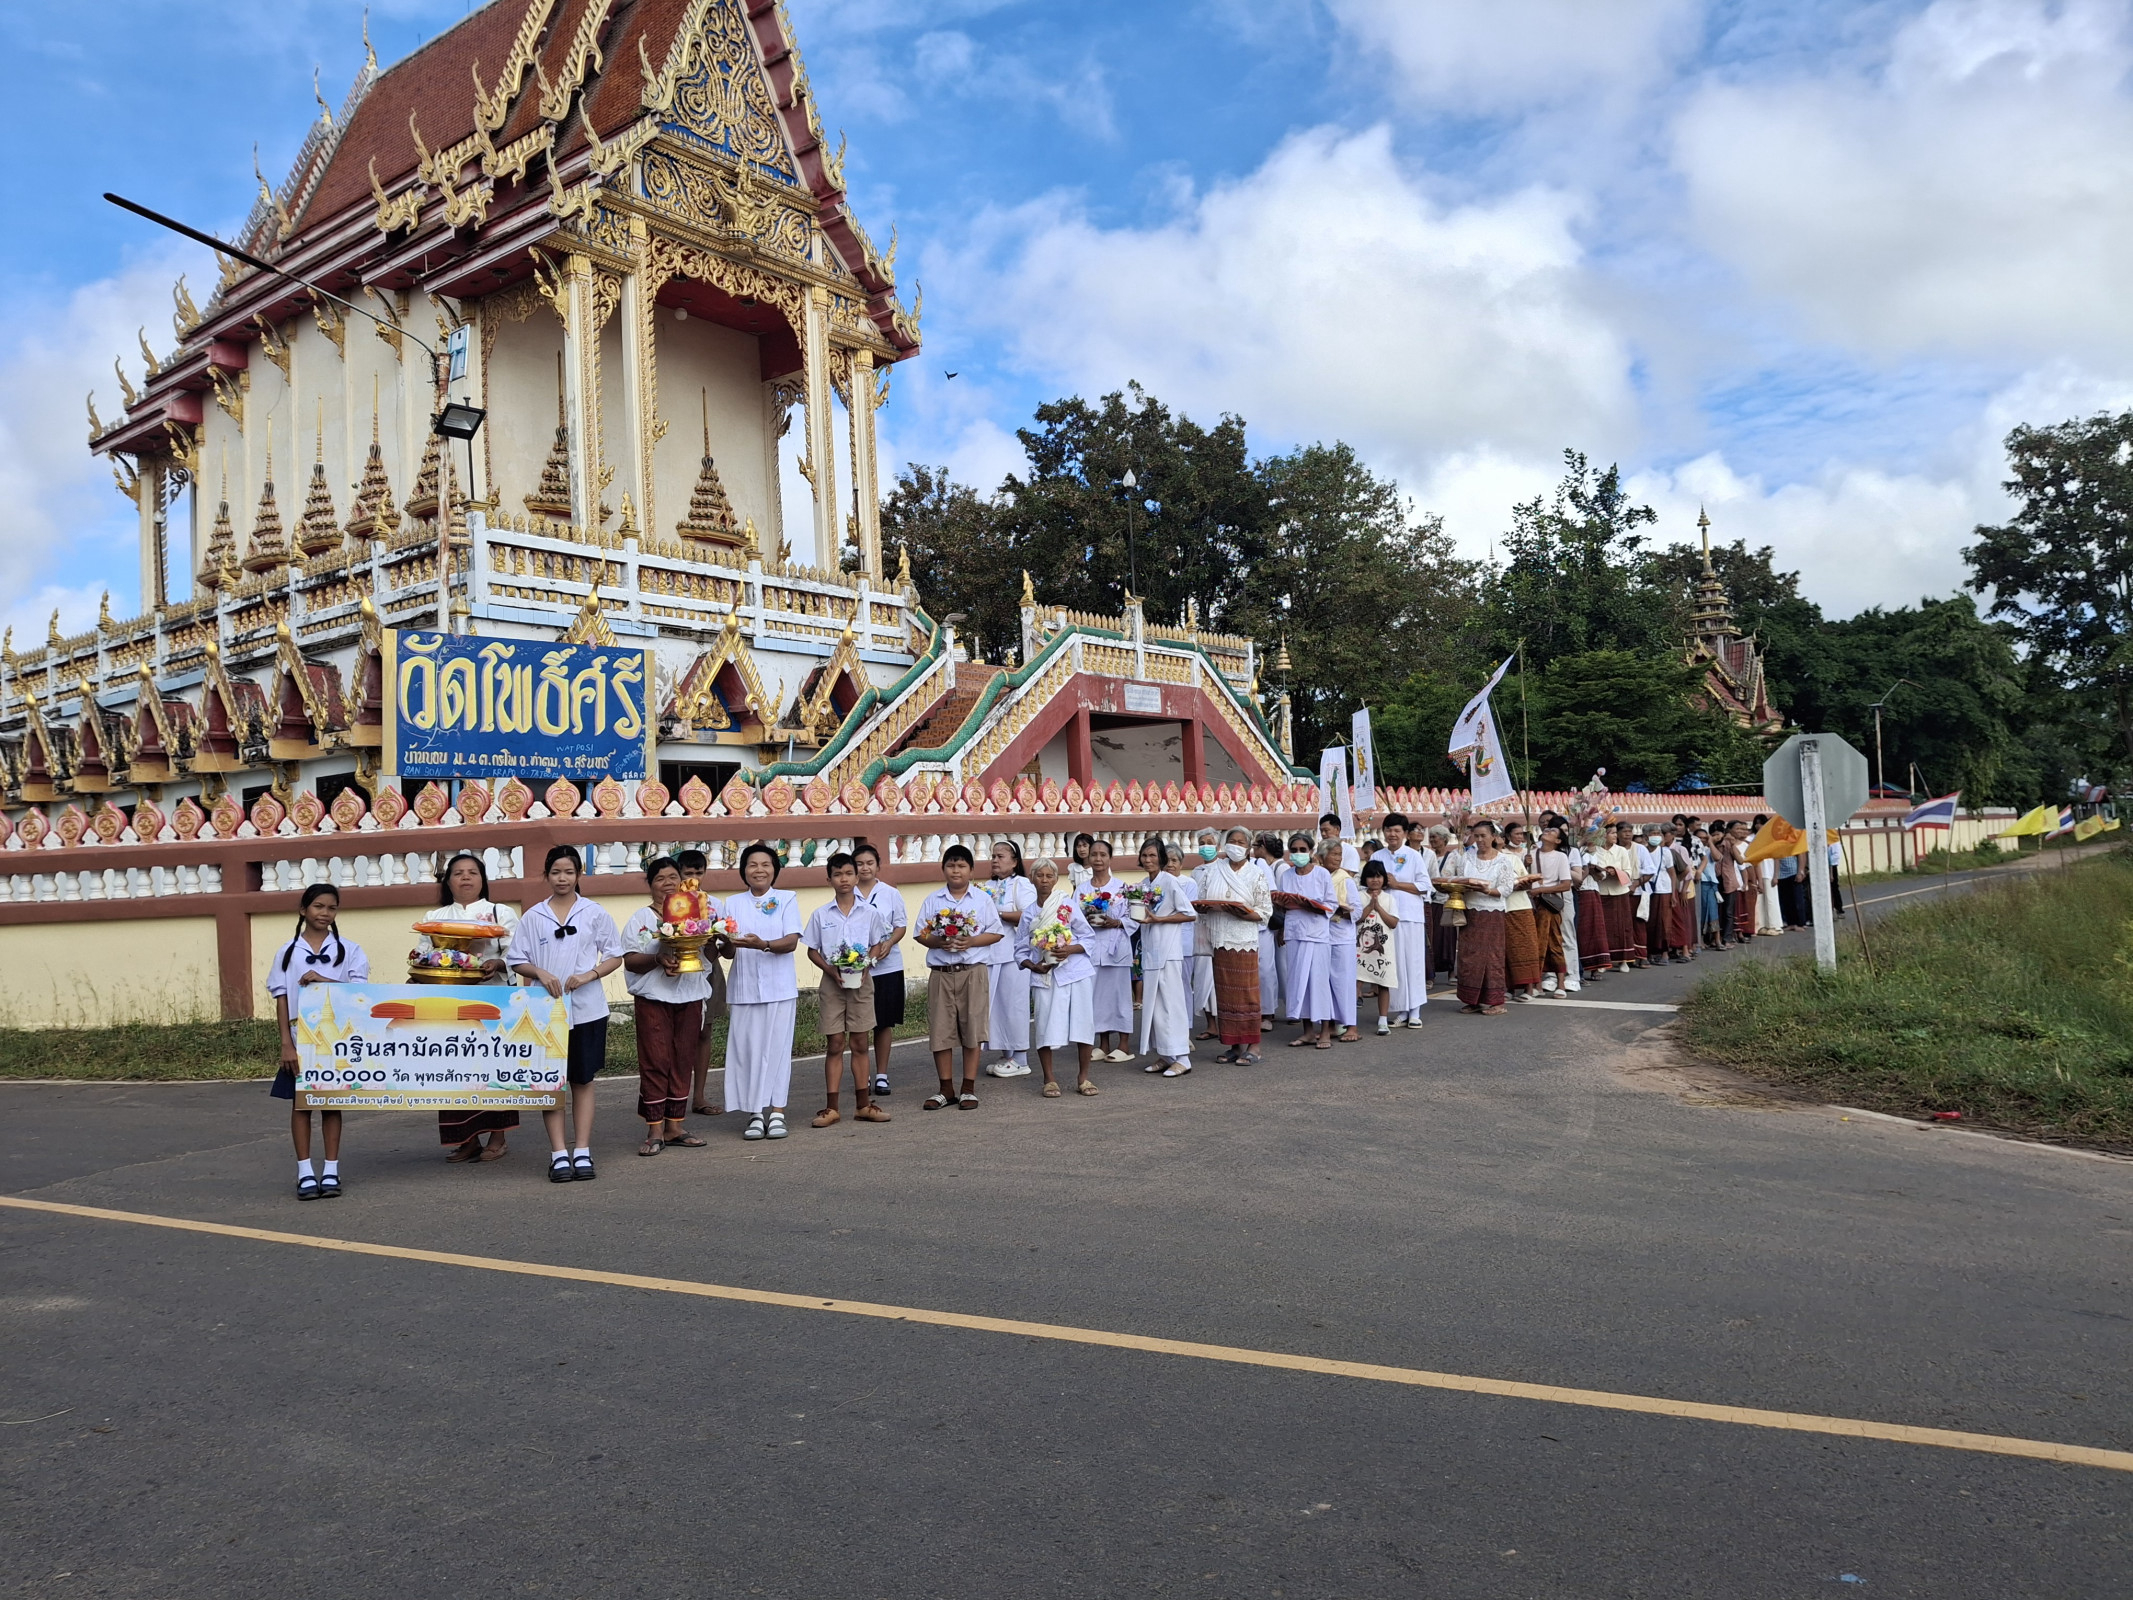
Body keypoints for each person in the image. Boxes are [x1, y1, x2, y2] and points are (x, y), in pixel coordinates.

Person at [507, 844, 625, 1183]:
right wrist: (540, 973)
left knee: (583, 1080)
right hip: (546, 1012)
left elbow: (614, 955)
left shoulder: (594, 913)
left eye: (569, 872)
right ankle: (558, 1152)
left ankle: (583, 1150)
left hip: (588, 1009)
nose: (562, 878)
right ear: (546, 875)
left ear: (578, 875)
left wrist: (589, 975)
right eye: (556, 872)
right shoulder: (533, 916)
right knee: (552, 1082)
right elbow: (518, 957)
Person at [268, 883, 370, 1199]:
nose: (325, 913)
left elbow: (359, 993)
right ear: (303, 910)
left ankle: (331, 1170)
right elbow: (282, 997)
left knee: (329, 1104)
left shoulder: (348, 950)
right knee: (302, 1105)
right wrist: (286, 1042)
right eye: (318, 906)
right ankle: (304, 1173)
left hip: (334, 1039)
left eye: (331, 907)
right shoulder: (288, 952)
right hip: (301, 1038)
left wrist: (325, 980)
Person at [426, 851, 520, 1164]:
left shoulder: (500, 913)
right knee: (454, 1071)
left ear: (482, 879)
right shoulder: (433, 919)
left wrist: (499, 962)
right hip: (449, 1005)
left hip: (493, 1002)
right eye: (458, 873)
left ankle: (498, 1137)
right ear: (448, 881)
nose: (466, 877)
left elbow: (517, 953)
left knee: (493, 1070)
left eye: (472, 872)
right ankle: (467, 1139)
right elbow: (424, 956)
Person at [620, 856, 711, 1156]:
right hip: (653, 998)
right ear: (650, 885)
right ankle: (654, 1129)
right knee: (656, 1060)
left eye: (673, 877)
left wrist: (718, 934)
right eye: (660, 879)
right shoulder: (641, 919)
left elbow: (712, 948)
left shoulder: (698, 914)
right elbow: (630, 959)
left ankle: (675, 1126)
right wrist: (658, 958)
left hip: (689, 994)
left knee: (683, 1058)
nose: (668, 883)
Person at [715, 842, 803, 1140]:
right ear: (744, 871)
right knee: (748, 1051)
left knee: (777, 1050)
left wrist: (762, 944)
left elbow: (791, 942)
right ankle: (754, 1112)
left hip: (779, 987)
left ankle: (777, 1111)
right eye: (752, 865)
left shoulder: (787, 899)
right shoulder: (732, 903)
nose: (759, 870)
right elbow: (727, 952)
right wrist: (722, 940)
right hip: (744, 989)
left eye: (765, 864)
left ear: (774, 870)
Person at [803, 851, 893, 1128]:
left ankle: (863, 1105)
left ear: (857, 876)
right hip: (832, 984)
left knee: (859, 1042)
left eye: (849, 873)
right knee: (835, 1044)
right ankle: (831, 1108)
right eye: (838, 874)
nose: (844, 879)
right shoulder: (821, 915)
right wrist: (830, 970)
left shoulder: (870, 913)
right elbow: (812, 950)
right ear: (828, 878)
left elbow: (878, 942)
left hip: (861, 984)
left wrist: (869, 962)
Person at [917, 843, 1005, 1110]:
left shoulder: (982, 899)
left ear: (971, 871)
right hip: (942, 973)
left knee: (972, 1029)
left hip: (972, 972)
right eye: (951, 865)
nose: (956, 870)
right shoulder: (933, 900)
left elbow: (996, 932)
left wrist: (972, 941)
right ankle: (946, 1089)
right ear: (943, 869)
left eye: (961, 865)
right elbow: (921, 934)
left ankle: (968, 1088)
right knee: (941, 1031)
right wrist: (937, 942)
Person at [1022, 855, 1101, 1095]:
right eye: (1039, 875)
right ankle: (1049, 1079)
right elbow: (1020, 950)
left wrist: (1069, 949)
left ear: (1056, 879)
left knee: (1083, 1023)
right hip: (1045, 975)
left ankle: (1084, 1078)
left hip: (1075, 972)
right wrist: (1033, 965)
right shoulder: (1028, 913)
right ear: (1031, 879)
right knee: (1045, 1025)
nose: (1044, 880)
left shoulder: (1067, 905)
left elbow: (1088, 936)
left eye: (1049, 876)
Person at [1198, 826, 1272, 1064]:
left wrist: (1241, 913)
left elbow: (1264, 911)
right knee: (1226, 994)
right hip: (1219, 939)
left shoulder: (1256, 873)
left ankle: (1254, 1045)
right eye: (1232, 841)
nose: (1236, 846)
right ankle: (1234, 1045)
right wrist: (1204, 907)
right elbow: (1200, 901)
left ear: (1248, 848)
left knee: (1247, 994)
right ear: (1224, 844)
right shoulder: (1212, 871)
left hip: (1244, 940)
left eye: (1241, 842)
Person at [1131, 836, 1198, 1076]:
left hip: (1169, 951)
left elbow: (1189, 914)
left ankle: (1182, 1058)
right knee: (1155, 1006)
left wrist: (1160, 919)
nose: (1148, 860)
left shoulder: (1169, 882)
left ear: (1160, 858)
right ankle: (1166, 1054)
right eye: (1144, 855)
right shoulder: (1143, 885)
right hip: (1151, 952)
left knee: (1171, 1004)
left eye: (1152, 855)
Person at [851, 841, 909, 1097]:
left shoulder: (889, 893)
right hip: (857, 967)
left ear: (878, 866)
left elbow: (900, 925)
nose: (865, 868)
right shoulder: (847, 892)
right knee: (859, 1022)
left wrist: (889, 943)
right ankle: (861, 1076)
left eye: (869, 863)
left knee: (884, 1022)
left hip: (887, 966)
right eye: (859, 864)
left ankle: (882, 1075)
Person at [674, 849, 728, 1119]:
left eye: (698, 873)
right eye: (688, 873)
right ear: (678, 874)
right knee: (677, 1036)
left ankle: (699, 1095)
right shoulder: (672, 903)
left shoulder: (716, 904)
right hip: (676, 972)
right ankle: (675, 1095)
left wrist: (721, 937)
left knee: (704, 1033)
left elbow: (728, 949)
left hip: (708, 970)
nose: (693, 879)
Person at [1444, 821, 1519, 1014]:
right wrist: (1462, 886)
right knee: (1469, 957)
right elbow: (1454, 878)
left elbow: (1506, 889)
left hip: (1492, 914)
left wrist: (1487, 890)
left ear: (1493, 836)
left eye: (1483, 836)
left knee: (1492, 957)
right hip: (1470, 912)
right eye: (1476, 836)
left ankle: (1496, 1002)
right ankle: (1472, 999)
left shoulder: (1503, 861)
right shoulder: (1466, 857)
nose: (1479, 840)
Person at [1370, 814, 1433, 1026]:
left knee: (1413, 962)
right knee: (1393, 964)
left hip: (1410, 917)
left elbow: (1425, 886)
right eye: (1389, 830)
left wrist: (1397, 884)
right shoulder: (1377, 856)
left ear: (1405, 834)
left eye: (1397, 831)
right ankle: (1401, 1010)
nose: (1392, 834)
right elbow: (1367, 883)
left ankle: (1415, 1010)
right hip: (1386, 917)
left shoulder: (1414, 856)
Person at [981, 840, 1036, 1078]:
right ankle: (1007, 1054)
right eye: (993, 856)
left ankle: (1021, 1058)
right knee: (996, 1007)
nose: (995, 860)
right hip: (991, 954)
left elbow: (1029, 914)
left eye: (1001, 856)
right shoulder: (986, 886)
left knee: (1014, 1005)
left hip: (1014, 956)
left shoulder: (1021, 884)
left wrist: (998, 913)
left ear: (1014, 862)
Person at [1276, 832, 1336, 1048]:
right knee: (1298, 982)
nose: (1298, 854)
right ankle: (1308, 1031)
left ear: (1311, 852)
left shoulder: (1321, 874)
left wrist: (1313, 905)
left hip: (1317, 934)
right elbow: (1283, 902)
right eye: (1294, 850)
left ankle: (1326, 1031)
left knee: (1318, 982)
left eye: (1302, 850)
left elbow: (1331, 903)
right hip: (1295, 933)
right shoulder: (1287, 876)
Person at [1079, 839, 1135, 1061]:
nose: (1098, 859)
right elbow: (1073, 918)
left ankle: (1124, 1044)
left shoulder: (1122, 888)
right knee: (1097, 998)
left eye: (1103, 854)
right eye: (1094, 854)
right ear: (1088, 858)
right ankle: (1103, 1044)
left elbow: (1135, 917)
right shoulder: (1082, 889)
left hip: (1116, 948)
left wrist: (1117, 923)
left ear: (1110, 858)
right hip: (1093, 950)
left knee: (1120, 996)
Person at [1320, 838, 1361, 1041]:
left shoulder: (1345, 880)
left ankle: (1351, 1026)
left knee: (1343, 983)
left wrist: (1340, 911)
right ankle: (1330, 1025)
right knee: (1324, 983)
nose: (1337, 858)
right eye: (1333, 854)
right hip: (1321, 936)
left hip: (1342, 936)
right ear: (1321, 857)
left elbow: (1358, 911)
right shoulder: (1318, 876)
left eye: (1339, 855)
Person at [1353, 858, 1399, 1032]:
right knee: (1356, 981)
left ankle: (1383, 1020)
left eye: (1379, 876)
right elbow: (1356, 918)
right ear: (1365, 878)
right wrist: (1370, 905)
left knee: (1383, 982)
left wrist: (1378, 907)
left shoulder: (1389, 899)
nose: (1375, 880)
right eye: (1371, 876)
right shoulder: (1359, 896)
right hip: (1360, 949)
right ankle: (1350, 1019)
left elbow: (1393, 923)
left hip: (1382, 951)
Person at [1530, 825, 1574, 996]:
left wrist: (1540, 890)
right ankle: (1537, 983)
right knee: (1535, 942)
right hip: (1532, 902)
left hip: (1548, 903)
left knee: (1553, 941)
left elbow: (1565, 884)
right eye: (1546, 830)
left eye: (1552, 832)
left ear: (1558, 841)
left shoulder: (1560, 856)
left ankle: (1561, 983)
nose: (1546, 832)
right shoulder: (1531, 854)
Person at [1502, 821, 1543, 1000]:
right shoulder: (1487, 858)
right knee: (1505, 949)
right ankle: (1509, 988)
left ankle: (1529, 988)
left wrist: (1524, 874)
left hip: (1519, 906)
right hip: (1501, 908)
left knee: (1525, 947)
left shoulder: (1514, 858)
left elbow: (1526, 880)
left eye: (1521, 834)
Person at [1189, 827, 1222, 1040]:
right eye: (1202, 843)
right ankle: (1211, 1024)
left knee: (1220, 976)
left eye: (1209, 842)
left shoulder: (1225, 868)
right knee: (1203, 976)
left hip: (1219, 925)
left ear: (1218, 846)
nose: (1205, 846)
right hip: (1200, 927)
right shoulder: (1195, 872)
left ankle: (1225, 1023)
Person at [1254, 833, 1286, 1025]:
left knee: (1269, 969)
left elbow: (1278, 898)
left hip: (1268, 923)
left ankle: (1269, 1012)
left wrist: (1282, 927)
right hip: (1252, 924)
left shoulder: (1268, 866)